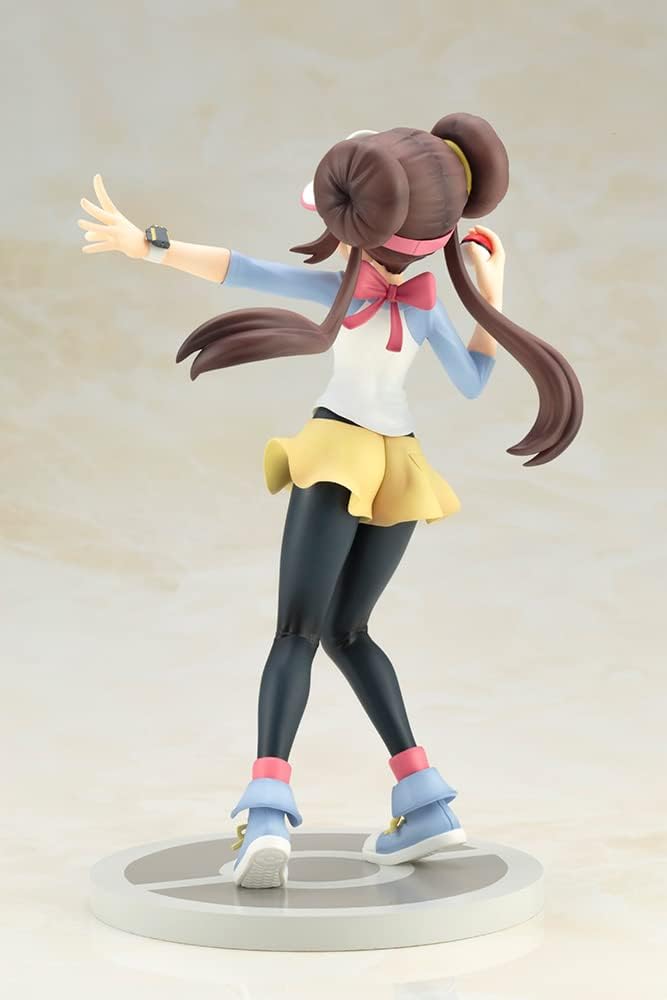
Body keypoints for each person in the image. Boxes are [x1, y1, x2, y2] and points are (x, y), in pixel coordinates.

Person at [78, 113, 583, 889]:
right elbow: (475, 381)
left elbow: (237, 269)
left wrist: (144, 243)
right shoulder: (421, 305)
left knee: (297, 634)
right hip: (400, 465)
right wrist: (491, 290)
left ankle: (266, 816)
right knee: (350, 633)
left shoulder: (340, 290)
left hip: (339, 453)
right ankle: (425, 801)